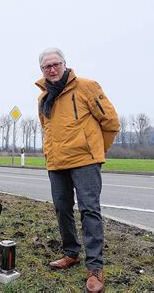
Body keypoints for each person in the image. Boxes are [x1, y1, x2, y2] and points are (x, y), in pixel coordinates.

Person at [35, 47, 119, 292]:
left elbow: (111, 122)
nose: (52, 69)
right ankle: (71, 253)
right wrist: (49, 154)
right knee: (62, 209)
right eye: (46, 66)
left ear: (64, 64)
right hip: (56, 163)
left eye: (56, 64)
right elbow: (46, 129)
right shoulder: (42, 99)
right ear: (42, 70)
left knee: (89, 211)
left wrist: (95, 151)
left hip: (85, 162)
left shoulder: (86, 87)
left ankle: (95, 268)